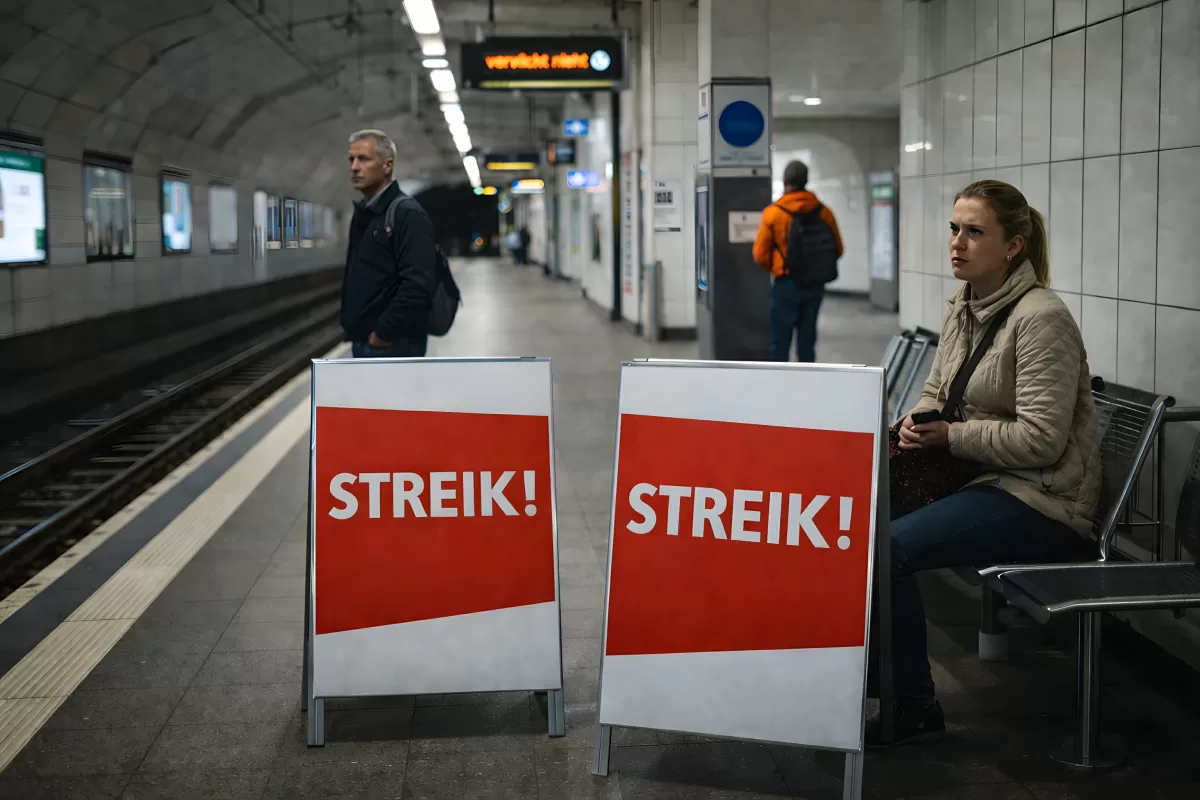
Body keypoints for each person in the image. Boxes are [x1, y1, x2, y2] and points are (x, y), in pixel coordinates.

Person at [868, 180, 1099, 746]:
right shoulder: (965, 302)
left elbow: (1042, 441)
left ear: (1013, 246)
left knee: (889, 549)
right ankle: (850, 681)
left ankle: (912, 707)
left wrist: (953, 434)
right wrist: (919, 422)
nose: (958, 243)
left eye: (975, 232)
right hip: (979, 477)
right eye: (954, 229)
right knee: (854, 521)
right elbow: (938, 385)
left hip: (1040, 497)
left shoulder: (1042, 318)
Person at [341, 129, 436, 358]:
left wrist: (382, 334)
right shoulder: (365, 213)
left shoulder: (406, 213)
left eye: (363, 159)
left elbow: (418, 284)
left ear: (387, 165)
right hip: (367, 340)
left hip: (392, 345)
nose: (354, 167)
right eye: (351, 159)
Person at [752, 160, 844, 362]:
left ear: (786, 182)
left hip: (786, 284)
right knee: (807, 342)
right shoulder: (824, 212)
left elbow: (759, 254)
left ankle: (780, 388)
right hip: (814, 286)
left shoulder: (773, 213)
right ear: (806, 181)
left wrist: (779, 267)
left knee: (779, 343)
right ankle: (807, 387)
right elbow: (838, 249)